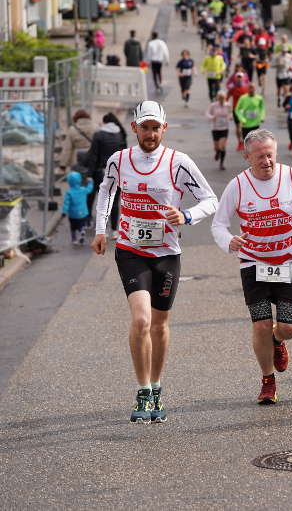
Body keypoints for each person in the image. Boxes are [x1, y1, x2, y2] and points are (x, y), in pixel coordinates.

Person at [90, 100, 219, 424]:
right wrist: (101, 230)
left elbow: (211, 200)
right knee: (142, 321)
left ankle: (158, 385)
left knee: (160, 323)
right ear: (134, 128)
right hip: (131, 250)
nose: (150, 134)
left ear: (164, 128)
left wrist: (186, 215)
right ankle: (143, 388)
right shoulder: (119, 160)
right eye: (144, 127)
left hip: (167, 254)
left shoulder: (178, 162)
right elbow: (106, 192)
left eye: (155, 127)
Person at [211, 129, 292, 404]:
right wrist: (230, 241)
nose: (266, 161)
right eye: (259, 156)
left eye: (270, 155)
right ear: (247, 157)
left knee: (288, 327)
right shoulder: (238, 185)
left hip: (287, 262)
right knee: (260, 324)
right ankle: (267, 381)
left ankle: (278, 341)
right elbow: (218, 224)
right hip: (253, 263)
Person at [85, 112, 127, 235]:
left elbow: (93, 156)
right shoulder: (121, 134)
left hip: (101, 172)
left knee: (102, 201)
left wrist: (89, 174)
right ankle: (114, 230)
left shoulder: (98, 135)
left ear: (104, 122)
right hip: (118, 172)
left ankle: (102, 229)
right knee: (114, 201)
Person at [62, 171, 93, 245]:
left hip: (73, 215)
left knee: (73, 227)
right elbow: (89, 189)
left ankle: (74, 239)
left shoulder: (69, 193)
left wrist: (64, 212)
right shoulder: (83, 190)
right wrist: (90, 183)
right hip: (83, 213)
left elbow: (66, 203)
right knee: (81, 224)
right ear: (80, 180)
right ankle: (82, 230)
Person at [206, 91, 231, 170]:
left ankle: (221, 163)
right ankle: (217, 152)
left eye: (223, 98)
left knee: (222, 146)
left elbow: (231, 113)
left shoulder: (228, 105)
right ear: (217, 98)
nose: (221, 99)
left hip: (224, 128)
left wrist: (230, 117)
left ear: (225, 98)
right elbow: (207, 113)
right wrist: (212, 117)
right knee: (216, 147)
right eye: (220, 98)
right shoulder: (213, 105)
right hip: (215, 128)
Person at [227, 72, 249, 151]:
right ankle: (240, 142)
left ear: (243, 78)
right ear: (236, 79)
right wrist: (227, 111)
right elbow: (227, 98)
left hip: (245, 110)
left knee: (245, 127)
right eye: (238, 77)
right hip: (236, 110)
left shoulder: (246, 88)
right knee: (238, 127)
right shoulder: (232, 88)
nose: (239, 79)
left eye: (240, 77)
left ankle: (245, 142)